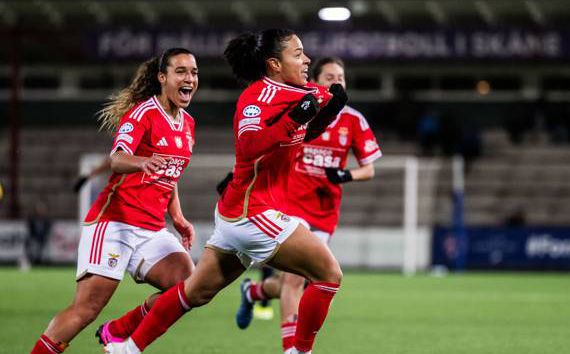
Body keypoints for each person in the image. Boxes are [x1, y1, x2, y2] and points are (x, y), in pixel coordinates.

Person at [107, 28, 347, 354]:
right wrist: (295, 117)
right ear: (274, 64)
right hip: (253, 213)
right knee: (329, 274)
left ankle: (126, 347)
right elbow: (249, 147)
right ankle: (298, 352)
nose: (306, 59)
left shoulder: (306, 91)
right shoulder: (257, 98)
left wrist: (327, 113)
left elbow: (303, 132)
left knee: (194, 293)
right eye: (298, 53)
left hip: (239, 212)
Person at [30, 47, 199, 354]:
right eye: (181, 71)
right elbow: (117, 158)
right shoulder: (143, 114)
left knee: (189, 285)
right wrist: (142, 161)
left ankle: (119, 330)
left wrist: (178, 217)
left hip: (151, 229)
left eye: (194, 72)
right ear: (162, 77)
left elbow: (170, 174)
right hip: (115, 224)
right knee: (85, 310)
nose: (189, 78)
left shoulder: (187, 124)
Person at [234, 57, 382, 353]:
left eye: (341, 76)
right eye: (329, 77)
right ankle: (292, 348)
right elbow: (272, 145)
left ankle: (254, 291)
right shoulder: (301, 110)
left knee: (296, 282)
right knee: (294, 281)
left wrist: (345, 174)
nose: (336, 81)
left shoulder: (353, 120)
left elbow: (370, 168)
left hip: (325, 212)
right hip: (289, 204)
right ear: (316, 81)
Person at [25, 199, 53, 266]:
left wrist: (43, 237)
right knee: (30, 244)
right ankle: (31, 260)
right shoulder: (32, 218)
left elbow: (48, 230)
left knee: (43, 247)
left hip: (43, 239)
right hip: (34, 238)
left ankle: (41, 262)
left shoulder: (46, 220)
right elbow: (30, 229)